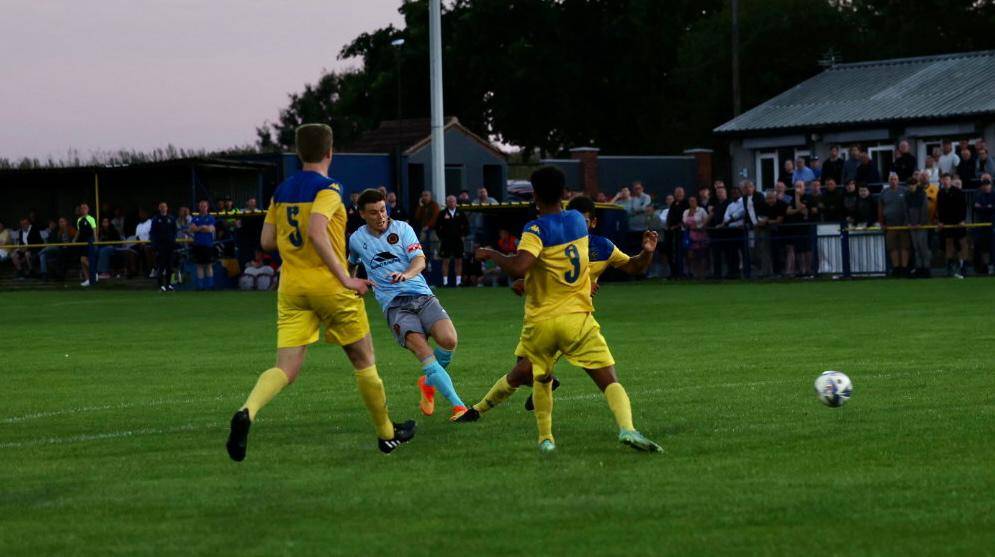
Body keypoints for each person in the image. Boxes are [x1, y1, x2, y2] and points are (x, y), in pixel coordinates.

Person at [226, 123, 414, 461]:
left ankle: (247, 411)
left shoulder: (281, 190)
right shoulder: (329, 189)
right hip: (329, 285)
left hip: (292, 287)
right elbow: (316, 230)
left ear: (299, 153)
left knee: (285, 368)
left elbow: (267, 241)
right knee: (363, 359)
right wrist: (345, 278)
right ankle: (387, 434)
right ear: (330, 152)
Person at [464, 168, 662, 453]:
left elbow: (521, 265)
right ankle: (627, 428)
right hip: (577, 320)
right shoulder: (577, 223)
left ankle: (546, 439)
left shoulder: (535, 229)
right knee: (608, 380)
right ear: (564, 193)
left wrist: (492, 254)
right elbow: (566, 263)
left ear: (534, 195)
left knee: (539, 378)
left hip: (542, 322)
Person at [347, 188, 469, 420]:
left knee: (449, 340)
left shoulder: (403, 229)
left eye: (383, 210)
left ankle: (428, 383)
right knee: (423, 350)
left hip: (422, 295)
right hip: (395, 306)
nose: (380, 216)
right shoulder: (356, 239)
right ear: (362, 214)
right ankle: (459, 406)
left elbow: (420, 261)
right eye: (373, 212)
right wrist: (352, 283)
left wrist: (406, 274)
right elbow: (351, 264)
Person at [936, 174, 968, 278]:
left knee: (961, 244)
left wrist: (962, 220)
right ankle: (949, 268)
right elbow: (939, 208)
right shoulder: (940, 193)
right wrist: (940, 221)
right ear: (941, 181)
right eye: (944, 179)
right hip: (946, 223)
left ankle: (962, 267)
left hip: (958, 222)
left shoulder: (958, 192)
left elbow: (963, 206)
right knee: (948, 244)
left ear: (951, 181)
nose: (945, 181)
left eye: (947, 179)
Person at [434, 194, 469, 287]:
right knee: (446, 261)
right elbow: (437, 227)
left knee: (459, 261)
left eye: (453, 201)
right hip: (446, 241)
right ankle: (445, 282)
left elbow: (466, 226)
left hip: (458, 241)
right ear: (446, 203)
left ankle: (458, 282)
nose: (451, 203)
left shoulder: (461, 213)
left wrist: (464, 236)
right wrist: (441, 237)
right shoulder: (442, 213)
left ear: (456, 202)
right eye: (449, 201)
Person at [784, 181, 813, 277]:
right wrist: (798, 210)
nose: (797, 188)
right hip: (796, 227)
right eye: (796, 186)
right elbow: (788, 211)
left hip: (806, 226)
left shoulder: (808, 197)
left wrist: (797, 197)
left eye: (800, 186)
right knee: (799, 249)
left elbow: (802, 208)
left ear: (804, 187)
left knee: (807, 249)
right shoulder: (792, 199)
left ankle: (808, 270)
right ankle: (802, 270)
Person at [905, 176, 931, 278]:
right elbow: (906, 210)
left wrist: (921, 222)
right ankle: (919, 268)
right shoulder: (907, 195)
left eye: (913, 185)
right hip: (912, 225)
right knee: (916, 248)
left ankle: (926, 268)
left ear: (916, 184)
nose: (911, 187)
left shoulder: (922, 194)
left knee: (923, 247)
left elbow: (924, 210)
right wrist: (908, 222)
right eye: (909, 185)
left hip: (921, 225)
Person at [150, 201, 177, 292]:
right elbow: (153, 232)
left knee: (170, 267)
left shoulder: (171, 218)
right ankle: (161, 286)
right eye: (161, 207)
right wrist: (154, 244)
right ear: (159, 208)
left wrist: (173, 241)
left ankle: (169, 284)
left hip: (170, 246)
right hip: (160, 246)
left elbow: (175, 231)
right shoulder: (156, 219)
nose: (163, 208)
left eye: (164, 207)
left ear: (167, 208)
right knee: (161, 266)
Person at [189, 200, 216, 290]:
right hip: (198, 245)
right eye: (201, 206)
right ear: (199, 207)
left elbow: (210, 229)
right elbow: (193, 229)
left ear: (207, 207)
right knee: (199, 265)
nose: (203, 208)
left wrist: (199, 228)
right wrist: (202, 227)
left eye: (204, 206)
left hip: (208, 245)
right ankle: (200, 287)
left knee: (208, 265)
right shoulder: (195, 218)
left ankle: (210, 286)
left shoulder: (211, 218)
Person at [683, 195, 709, 279]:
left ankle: (702, 274)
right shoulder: (686, 211)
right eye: (690, 201)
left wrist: (700, 227)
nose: (692, 202)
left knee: (701, 256)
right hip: (689, 235)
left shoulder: (701, 210)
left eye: (693, 200)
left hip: (700, 234)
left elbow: (706, 220)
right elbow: (684, 222)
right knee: (691, 256)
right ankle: (692, 273)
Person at [972, 175, 994, 274]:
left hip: (992, 225)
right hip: (982, 225)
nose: (986, 187)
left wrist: (984, 208)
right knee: (984, 247)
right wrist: (988, 208)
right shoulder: (979, 195)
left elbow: (990, 208)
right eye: (984, 185)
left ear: (991, 185)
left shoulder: (994, 195)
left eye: (987, 185)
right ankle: (985, 267)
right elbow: (976, 207)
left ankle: (992, 265)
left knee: (993, 247)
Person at [74, 202, 97, 287]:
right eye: (82, 208)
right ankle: (88, 279)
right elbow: (79, 231)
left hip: (89, 242)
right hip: (82, 242)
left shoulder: (91, 219)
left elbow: (94, 230)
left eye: (85, 208)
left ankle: (94, 273)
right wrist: (74, 240)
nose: (83, 209)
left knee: (84, 260)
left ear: (88, 209)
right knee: (82, 260)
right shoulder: (79, 220)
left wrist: (96, 241)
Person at [413, 190, 440, 258]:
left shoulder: (434, 205)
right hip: (423, 229)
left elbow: (435, 217)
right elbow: (417, 217)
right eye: (423, 196)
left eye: (426, 195)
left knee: (435, 243)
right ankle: (421, 258)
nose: (424, 197)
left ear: (430, 197)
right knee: (421, 243)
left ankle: (436, 257)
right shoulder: (422, 206)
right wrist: (420, 205)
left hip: (433, 229)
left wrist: (428, 226)